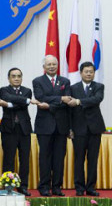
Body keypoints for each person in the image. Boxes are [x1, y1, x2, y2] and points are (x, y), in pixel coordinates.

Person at [32, 55, 71, 196]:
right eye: (48, 64)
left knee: (59, 158)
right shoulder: (37, 81)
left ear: (57, 65)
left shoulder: (65, 81)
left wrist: (49, 105)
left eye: (54, 64)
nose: (51, 66)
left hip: (61, 126)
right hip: (44, 126)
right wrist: (60, 98)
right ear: (44, 67)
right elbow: (40, 97)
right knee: (45, 158)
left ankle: (57, 187)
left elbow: (68, 101)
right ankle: (43, 186)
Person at [0, 68, 35, 196]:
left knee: (24, 159)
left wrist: (8, 104)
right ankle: (8, 186)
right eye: (13, 76)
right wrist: (21, 100)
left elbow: (22, 105)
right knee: (9, 159)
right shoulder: (3, 90)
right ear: (9, 78)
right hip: (9, 129)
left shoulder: (27, 91)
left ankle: (23, 186)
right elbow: (8, 97)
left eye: (19, 76)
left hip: (24, 129)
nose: (16, 78)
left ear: (22, 78)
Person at [70, 61, 105, 196]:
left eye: (91, 72)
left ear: (94, 73)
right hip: (78, 129)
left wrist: (79, 101)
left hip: (94, 128)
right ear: (81, 73)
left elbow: (96, 99)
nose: (89, 74)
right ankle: (79, 188)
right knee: (79, 159)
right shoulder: (73, 88)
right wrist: (70, 128)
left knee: (92, 159)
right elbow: (69, 111)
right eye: (86, 71)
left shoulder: (99, 86)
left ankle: (91, 187)